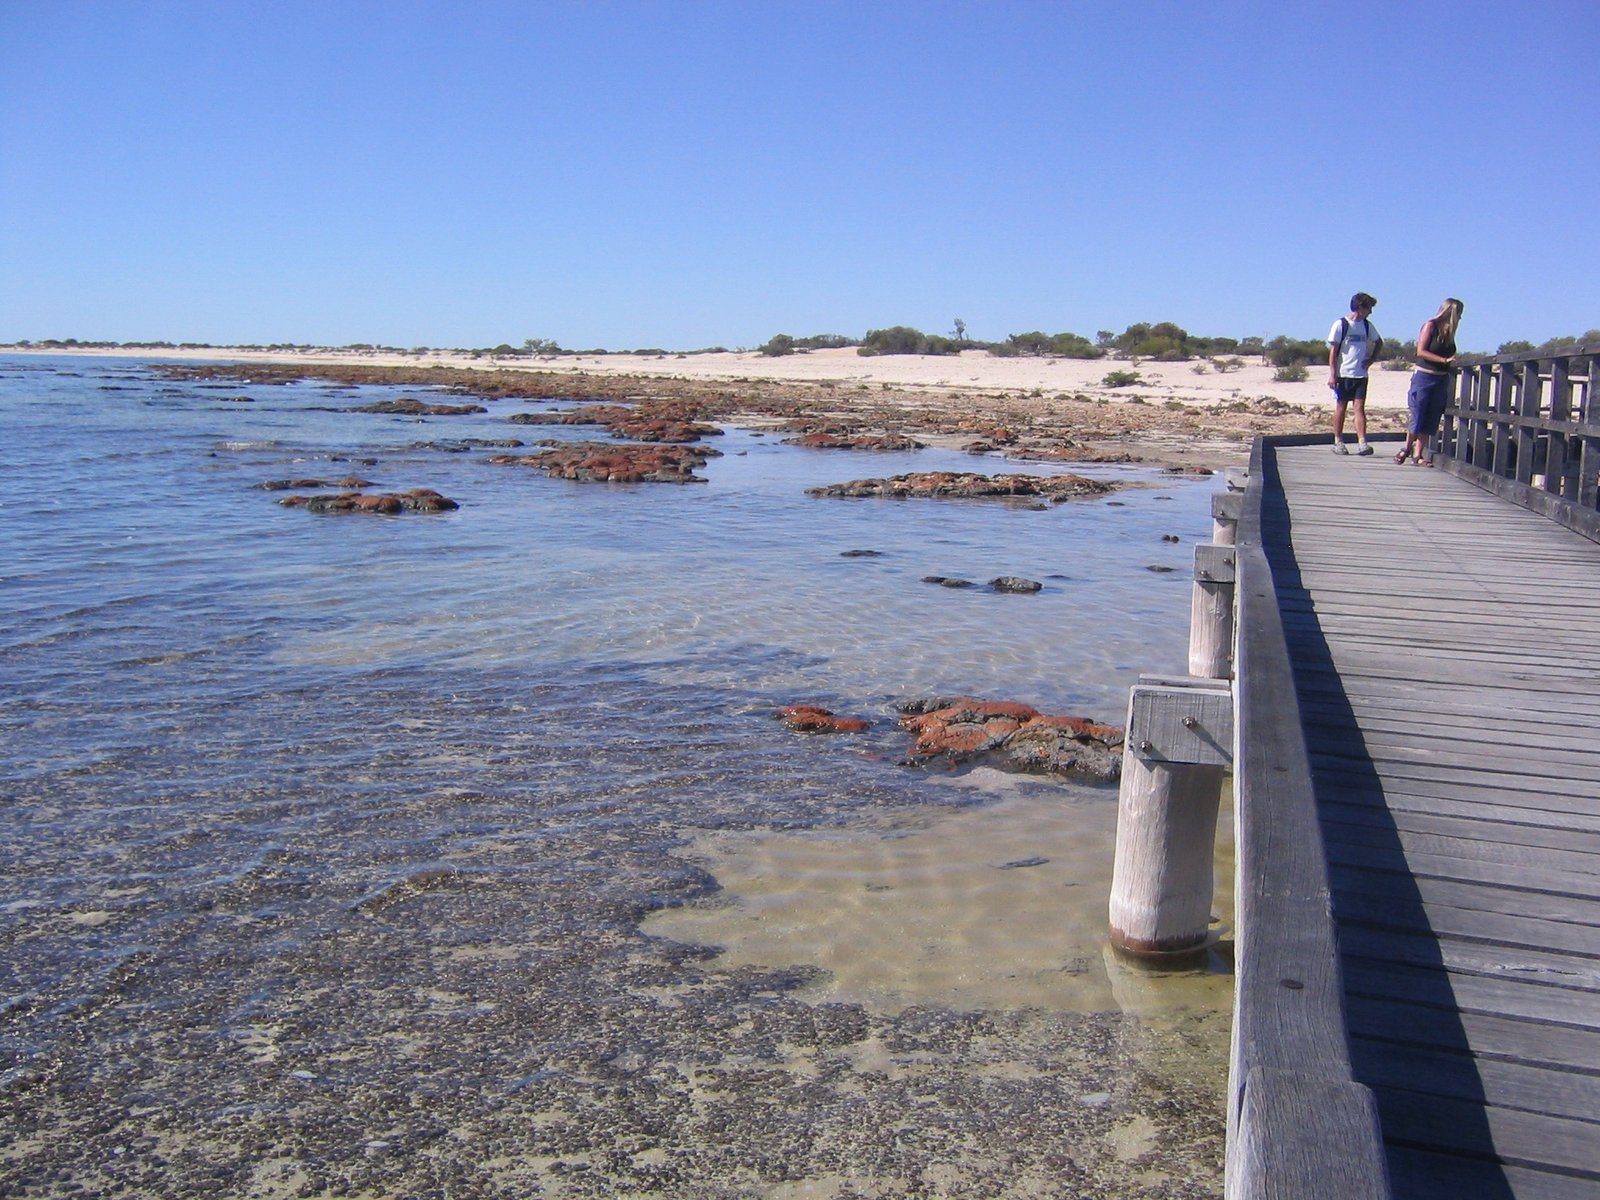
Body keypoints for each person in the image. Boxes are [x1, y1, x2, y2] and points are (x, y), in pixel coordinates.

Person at [1397, 298, 1464, 466]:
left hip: (1441, 379)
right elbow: (1421, 351)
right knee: (1418, 413)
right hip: (1424, 377)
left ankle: (1417, 455)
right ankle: (1406, 448)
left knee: (1432, 416)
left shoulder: (1450, 333)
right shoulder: (1430, 325)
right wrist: (1443, 360)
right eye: (1459, 313)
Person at [1327, 292, 1382, 455]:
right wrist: (1332, 373)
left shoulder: (1367, 325)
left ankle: (1362, 442)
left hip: (1361, 374)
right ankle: (1338, 441)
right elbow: (1333, 351)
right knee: (1341, 407)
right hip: (1343, 373)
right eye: (1369, 308)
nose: (1370, 312)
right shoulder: (1341, 324)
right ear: (1360, 307)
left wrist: (1372, 359)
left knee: (1359, 408)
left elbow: (1379, 342)